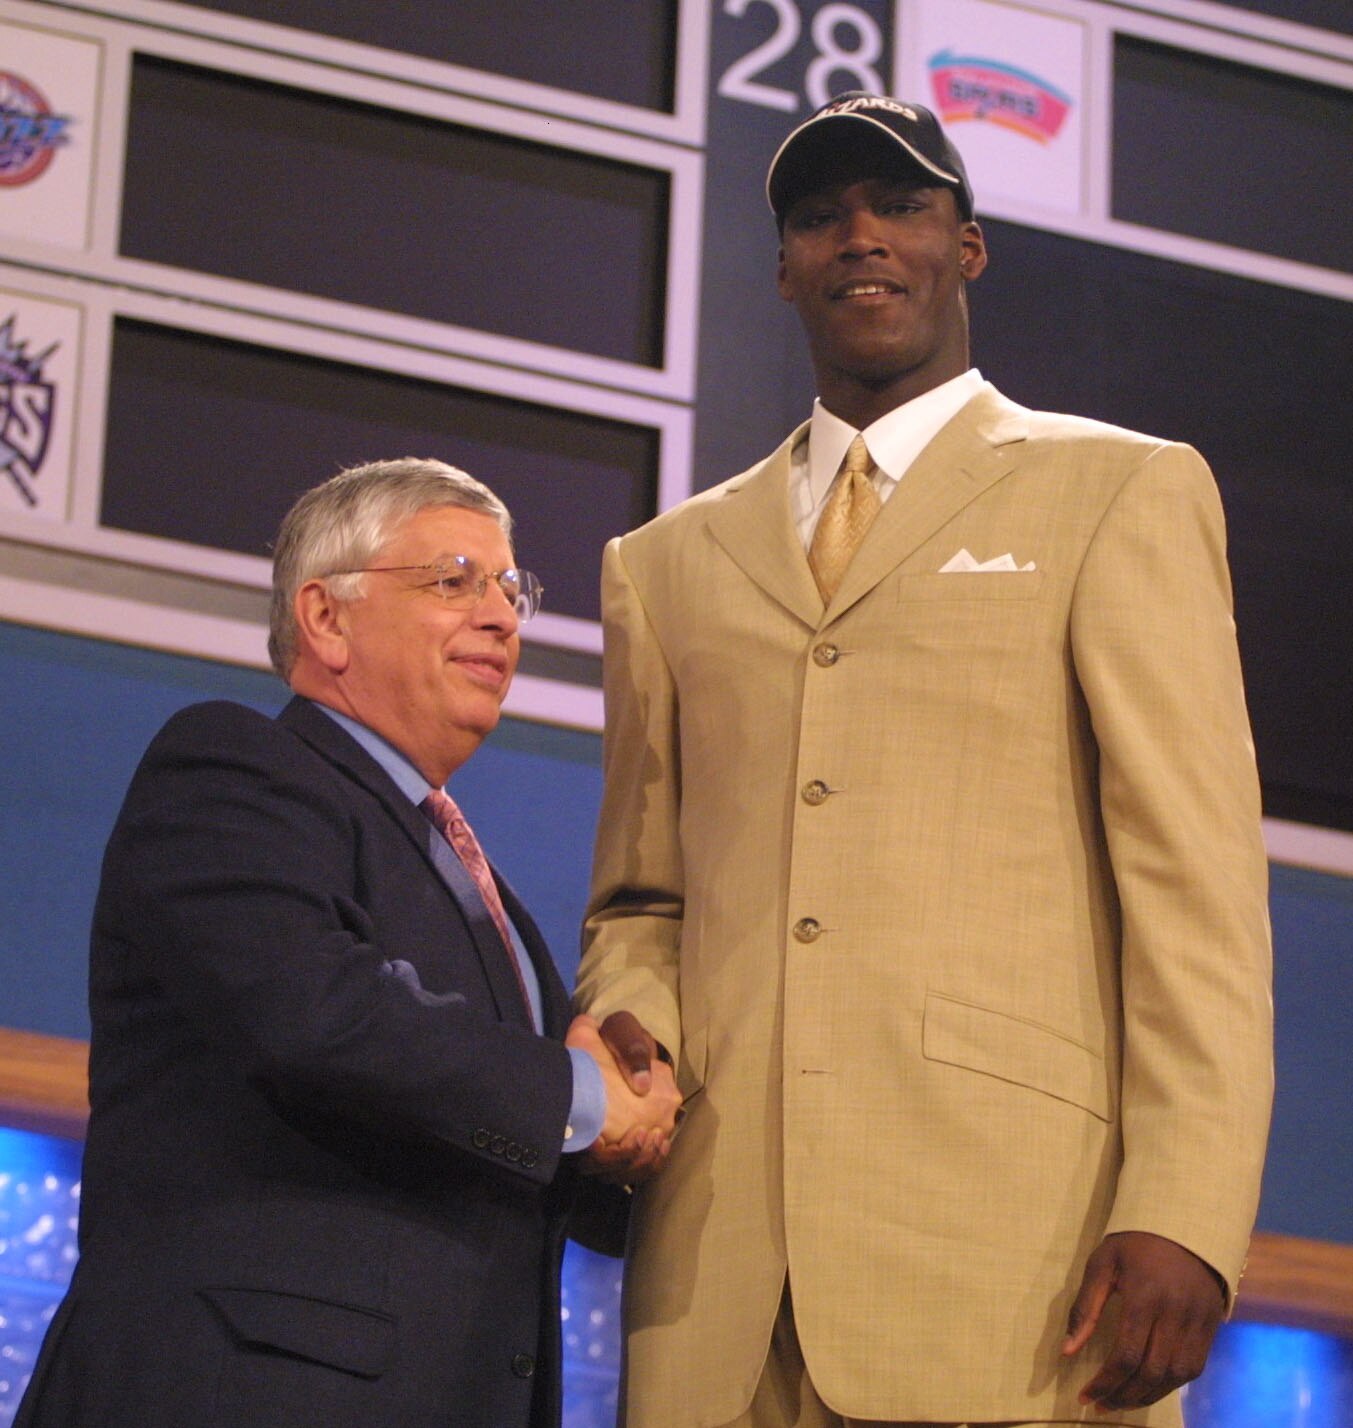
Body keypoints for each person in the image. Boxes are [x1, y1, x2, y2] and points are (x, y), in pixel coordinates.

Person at [576, 93, 1273, 1428]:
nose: (860, 237)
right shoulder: (664, 566)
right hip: (718, 1289)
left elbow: (1196, 894)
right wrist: (634, 1030)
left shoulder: (1118, 491)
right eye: (818, 216)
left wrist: (1184, 1206)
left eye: (900, 205)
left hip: (1017, 1272)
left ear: (967, 247)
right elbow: (643, 903)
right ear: (781, 268)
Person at [15, 457, 679, 1428]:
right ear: (325, 617)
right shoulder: (233, 769)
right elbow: (319, 1013)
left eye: (509, 588)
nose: (501, 617)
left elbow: (517, 1146)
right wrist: (580, 1097)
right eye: (454, 580)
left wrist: (639, 1141)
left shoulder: (491, 902)